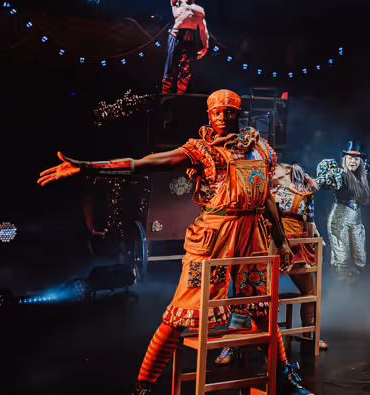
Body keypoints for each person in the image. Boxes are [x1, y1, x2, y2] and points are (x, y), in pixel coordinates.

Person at [37, 89, 311, 395]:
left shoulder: (259, 148)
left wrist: (282, 241)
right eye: (217, 112)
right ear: (209, 115)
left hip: (252, 236)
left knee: (261, 308)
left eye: (229, 111)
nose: (223, 116)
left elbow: (268, 198)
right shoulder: (200, 149)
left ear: (238, 113)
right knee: (181, 312)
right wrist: (90, 167)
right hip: (213, 236)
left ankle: (286, 379)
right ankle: (143, 385)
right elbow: (151, 161)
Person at [216, 162, 328, 365]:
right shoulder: (267, 192)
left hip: (296, 247)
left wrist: (315, 241)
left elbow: (310, 222)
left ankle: (309, 335)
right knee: (250, 292)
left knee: (310, 292)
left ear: (286, 170)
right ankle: (231, 344)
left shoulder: (304, 193)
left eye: (273, 168)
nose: (269, 171)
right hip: (267, 246)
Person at [315, 141, 370, 284]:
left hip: (355, 217)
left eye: (356, 158)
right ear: (345, 158)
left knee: (360, 258)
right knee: (342, 258)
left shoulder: (362, 174)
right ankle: (342, 291)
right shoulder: (339, 173)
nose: (353, 161)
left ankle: (355, 289)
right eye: (350, 158)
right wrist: (309, 183)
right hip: (339, 217)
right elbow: (321, 182)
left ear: (361, 161)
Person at [161, 0, 208, 95]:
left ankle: (181, 95)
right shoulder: (178, 2)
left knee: (186, 69)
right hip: (177, 36)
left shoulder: (200, 10)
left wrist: (205, 46)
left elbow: (203, 29)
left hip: (191, 40)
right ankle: (165, 94)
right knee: (171, 66)